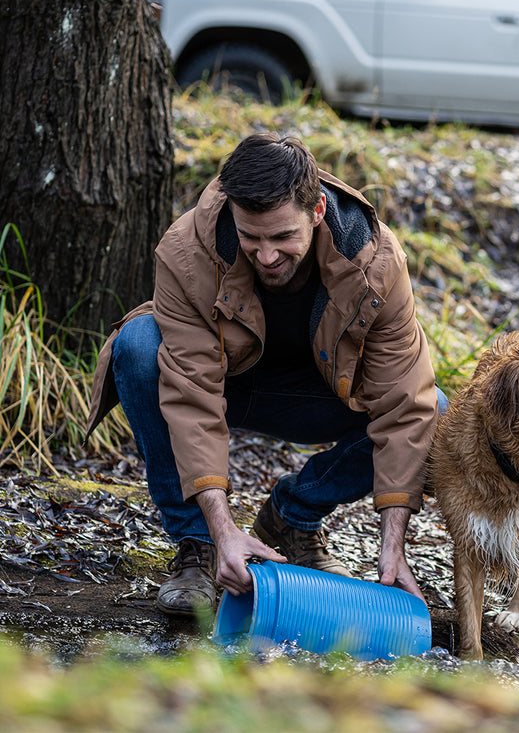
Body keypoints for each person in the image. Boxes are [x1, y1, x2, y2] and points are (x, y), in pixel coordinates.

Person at [86, 131, 446, 616]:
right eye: (251, 238)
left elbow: (405, 404)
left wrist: (393, 545)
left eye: (282, 237)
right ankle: (200, 548)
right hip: (223, 384)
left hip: (320, 397)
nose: (268, 255)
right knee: (138, 344)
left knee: (437, 411)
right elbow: (191, 396)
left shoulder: (375, 261)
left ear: (317, 211)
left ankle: (292, 518)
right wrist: (222, 526)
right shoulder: (186, 251)